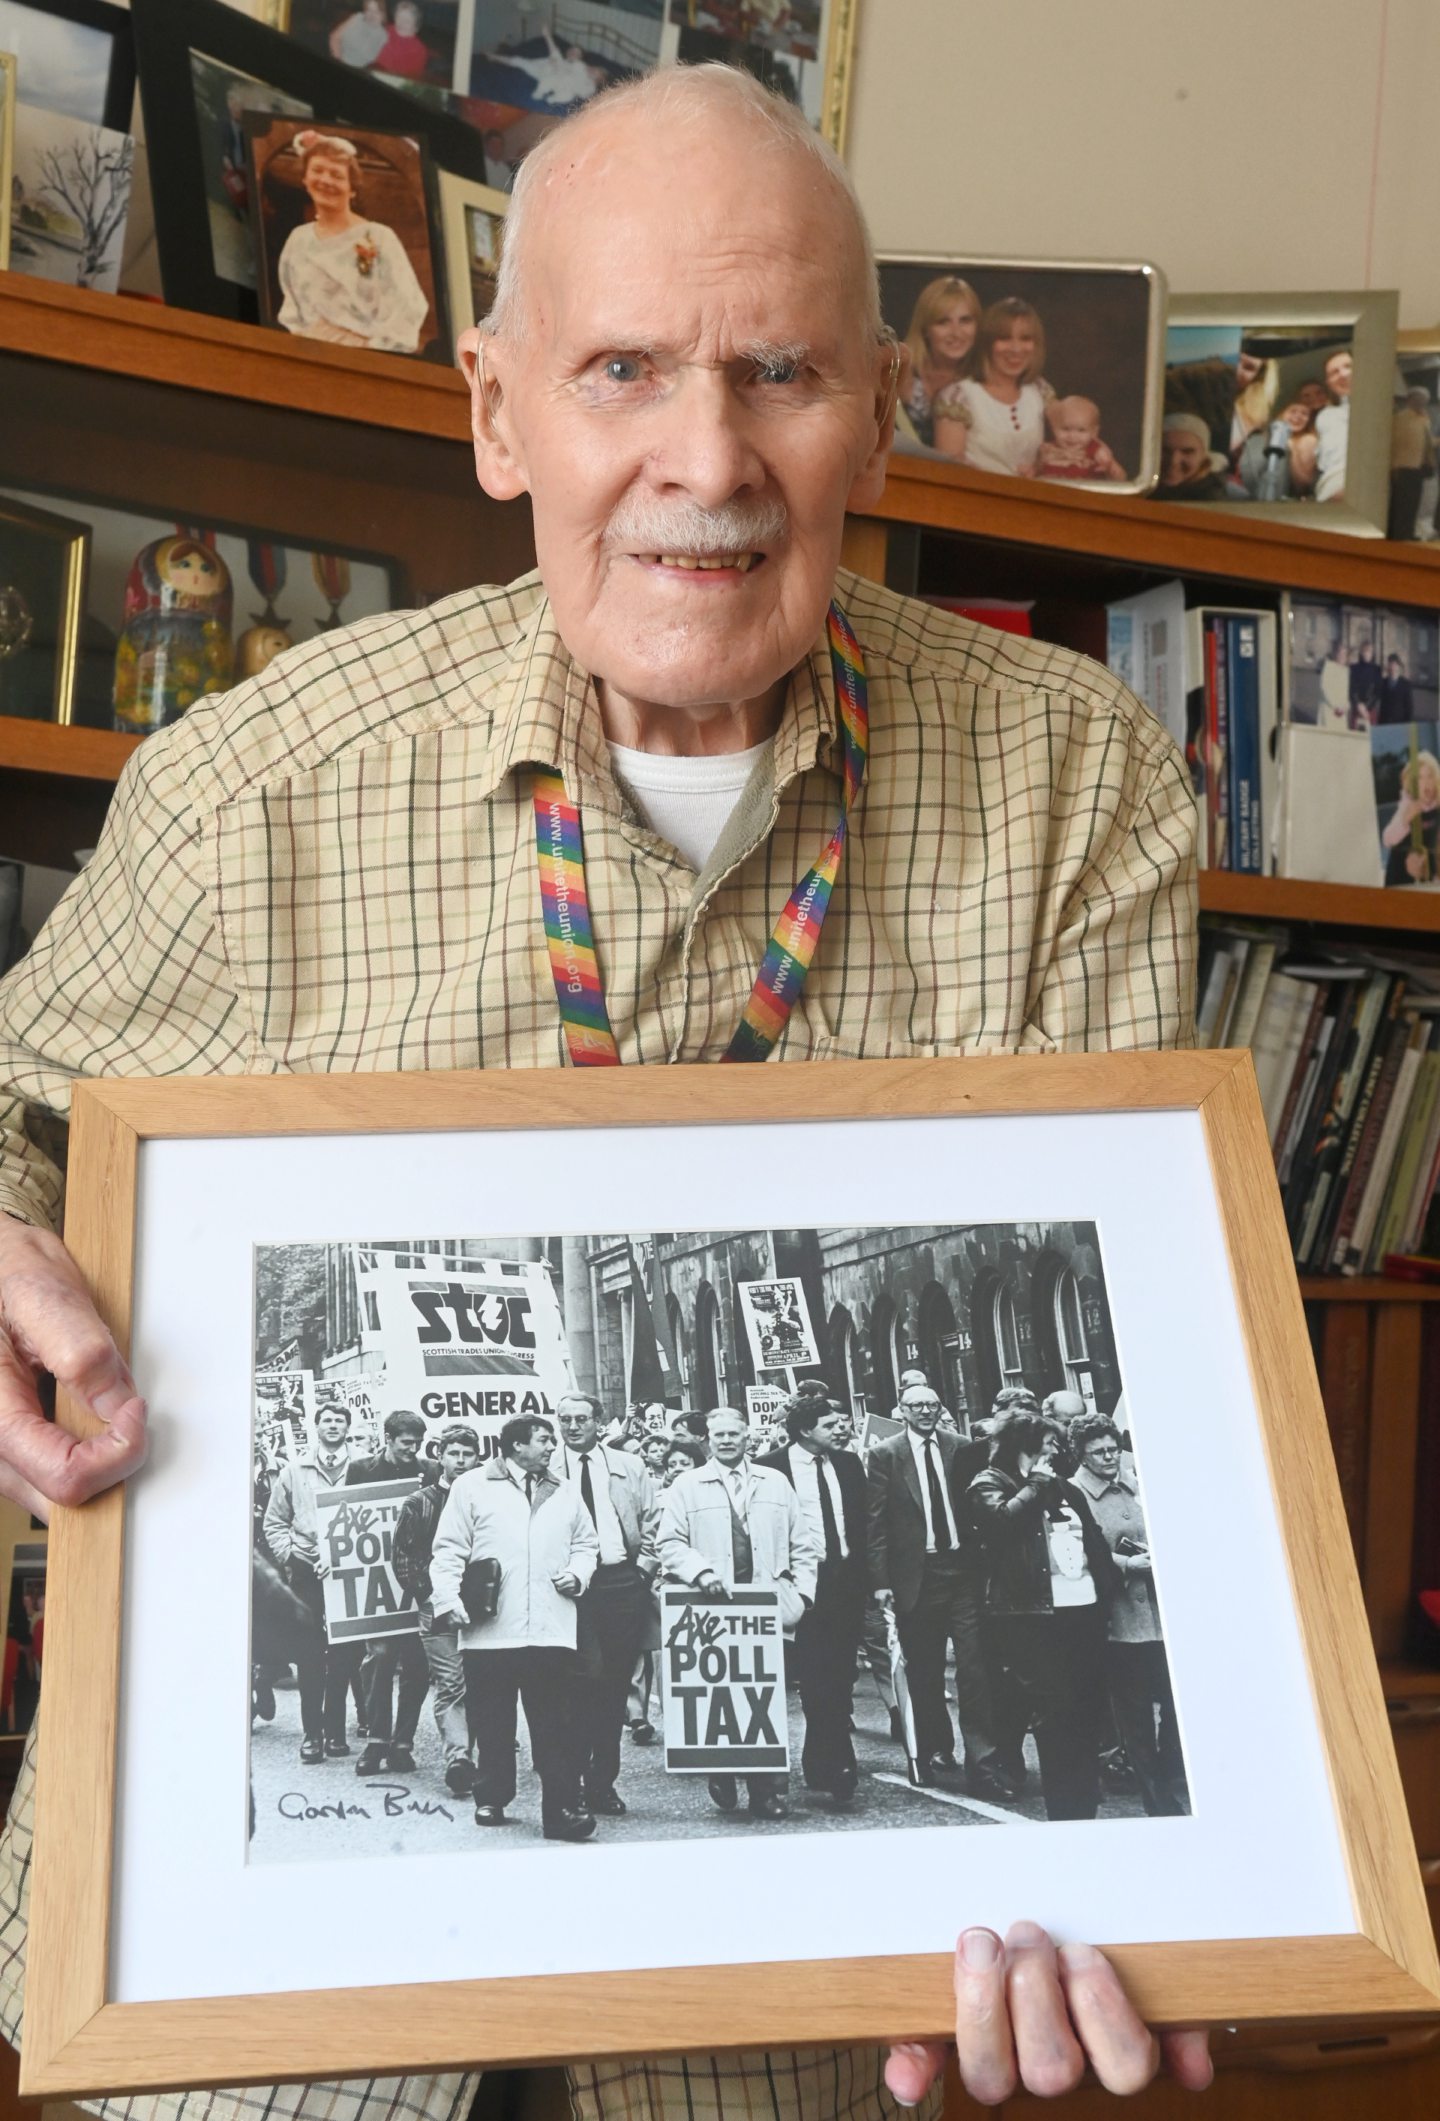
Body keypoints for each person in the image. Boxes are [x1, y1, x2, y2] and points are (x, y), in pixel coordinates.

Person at [0, 60, 1208, 2117]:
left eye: (781, 373)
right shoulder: (249, 782)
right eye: (625, 367)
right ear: (497, 410)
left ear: (880, 419)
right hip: (258, 2028)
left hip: (825, 2035)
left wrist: (1198, 1877)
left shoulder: (1078, 783)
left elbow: (1170, 1368)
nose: (704, 458)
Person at [429, 1413, 599, 1839]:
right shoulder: (473, 1487)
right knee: (493, 1722)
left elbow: (586, 1543)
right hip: (490, 1629)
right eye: (543, 1439)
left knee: (553, 1724)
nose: (550, 1446)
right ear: (516, 1446)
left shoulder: (563, 1489)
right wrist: (449, 1600)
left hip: (549, 1626)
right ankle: (492, 1795)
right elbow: (449, 1549)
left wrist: (578, 1574)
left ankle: (560, 1811)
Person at [658, 1405, 818, 1819]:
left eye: (734, 1434)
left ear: (749, 1437)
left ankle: (767, 1791)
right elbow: (670, 1543)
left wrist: (803, 1595)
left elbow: (801, 1543)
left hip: (767, 1606)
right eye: (718, 1435)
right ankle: (723, 1770)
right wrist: (701, 1572)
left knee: (764, 1694)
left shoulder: (776, 1482)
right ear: (706, 1440)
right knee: (721, 1693)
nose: (727, 1441)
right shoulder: (687, 1486)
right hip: (711, 1606)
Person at [970, 1409, 1119, 1821]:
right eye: (1051, 1444)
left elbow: (1093, 1541)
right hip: (1033, 1617)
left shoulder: (1063, 1489)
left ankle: (1085, 1797)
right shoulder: (989, 1483)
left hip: (1083, 1612)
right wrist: (1035, 1484)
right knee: (1055, 1715)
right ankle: (1065, 1806)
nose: (1058, 1452)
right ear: (1028, 1446)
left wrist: (1107, 1592)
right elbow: (999, 1524)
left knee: (1088, 1709)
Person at [866, 1382, 1009, 1797]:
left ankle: (982, 1764)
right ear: (901, 1411)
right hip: (917, 1575)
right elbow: (874, 1525)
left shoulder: (963, 1447)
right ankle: (930, 1749)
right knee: (925, 1671)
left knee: (974, 1668)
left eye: (932, 1404)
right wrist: (880, 1583)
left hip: (962, 1570)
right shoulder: (884, 1455)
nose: (925, 1412)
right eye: (916, 1406)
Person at [1069, 1414, 1184, 1818]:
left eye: (1113, 1449)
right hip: (1116, 1619)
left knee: (1173, 1701)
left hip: (1156, 1613)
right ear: (1081, 1455)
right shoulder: (1073, 1494)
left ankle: (1170, 1772)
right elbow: (1078, 1553)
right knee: (1134, 1714)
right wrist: (1123, 1564)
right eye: (1099, 1452)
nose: (1108, 1457)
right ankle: (1155, 1793)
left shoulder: (1133, 1486)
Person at [758, 1386, 867, 1803]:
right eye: (830, 1425)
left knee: (840, 1676)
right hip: (801, 1584)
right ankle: (837, 1762)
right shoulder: (771, 1468)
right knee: (814, 1674)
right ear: (805, 1430)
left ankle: (825, 1759)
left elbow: (861, 1522)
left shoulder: (848, 1463)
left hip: (846, 1580)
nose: (841, 1430)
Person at [554, 1390, 660, 1814]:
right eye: (565, 1420)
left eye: (582, 1419)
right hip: (568, 1588)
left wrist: (643, 1571)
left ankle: (602, 1783)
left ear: (599, 1422)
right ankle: (574, 1778)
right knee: (575, 1685)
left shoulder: (628, 1466)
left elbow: (653, 1521)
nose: (573, 1427)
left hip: (620, 1583)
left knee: (614, 1685)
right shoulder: (546, 1469)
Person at [276, 130, 430, 355]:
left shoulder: (380, 238)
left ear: (352, 188)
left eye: (337, 175)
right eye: (317, 171)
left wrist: (368, 348)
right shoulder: (298, 239)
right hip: (308, 355)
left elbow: (408, 306)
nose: (326, 180)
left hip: (366, 358)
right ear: (305, 180)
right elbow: (292, 310)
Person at [262, 1400, 358, 1762]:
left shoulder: (363, 1465)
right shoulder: (293, 1470)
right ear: (317, 1427)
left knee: (344, 1656)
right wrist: (293, 1555)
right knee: (309, 1655)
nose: (333, 1426)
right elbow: (274, 1522)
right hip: (306, 1571)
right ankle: (312, 1735)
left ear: (348, 1428)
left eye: (339, 1421)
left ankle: (336, 1731)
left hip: (349, 1572)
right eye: (327, 1421)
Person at [390, 1422, 481, 1796]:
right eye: (453, 1454)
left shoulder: (487, 1498)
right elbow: (403, 1559)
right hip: (437, 1609)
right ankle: (459, 1759)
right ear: (439, 1457)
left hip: (481, 1608)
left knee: (482, 1682)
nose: (460, 1461)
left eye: (468, 1454)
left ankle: (484, 1749)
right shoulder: (420, 1502)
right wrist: (429, 1596)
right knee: (452, 1683)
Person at [347, 1409, 431, 1775]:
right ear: (388, 1439)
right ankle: (377, 1740)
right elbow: (346, 1522)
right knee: (379, 1659)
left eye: (417, 1443)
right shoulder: (361, 1470)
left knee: (417, 1665)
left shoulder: (430, 1470)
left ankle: (403, 1743)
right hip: (376, 1582)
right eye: (405, 1443)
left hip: (416, 1582)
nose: (413, 1449)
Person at [932, 297, 1052, 476]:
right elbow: (949, 473)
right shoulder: (957, 397)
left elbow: (1074, 441)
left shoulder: (1040, 390)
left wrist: (1042, 466)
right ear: (986, 343)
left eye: (1025, 338)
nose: (1016, 349)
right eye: (1005, 338)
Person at [899, 274, 980, 448]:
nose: (956, 333)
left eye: (965, 321)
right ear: (926, 328)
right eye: (943, 322)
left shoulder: (984, 375)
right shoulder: (903, 372)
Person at [1034, 396, 1127, 483]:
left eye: (1081, 430)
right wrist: (1031, 470)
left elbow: (1121, 478)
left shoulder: (1096, 451)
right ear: (1054, 428)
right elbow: (1037, 471)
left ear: (1094, 432)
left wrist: (1110, 467)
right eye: (1065, 429)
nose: (1072, 436)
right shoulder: (1048, 450)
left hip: (1084, 496)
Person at [1382, 747, 1440, 885]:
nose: (1426, 783)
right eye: (1420, 778)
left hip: (1426, 872)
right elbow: (1387, 839)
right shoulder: (1407, 806)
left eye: (1430, 776)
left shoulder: (1437, 805)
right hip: (1400, 872)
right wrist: (1404, 820)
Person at [1390, 389, 1436, 539]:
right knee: (1401, 503)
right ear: (1410, 399)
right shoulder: (1399, 418)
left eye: (1424, 400)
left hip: (1419, 468)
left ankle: (1408, 533)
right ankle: (1398, 534)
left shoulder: (1424, 419)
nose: (1422, 402)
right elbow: (1393, 444)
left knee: (1413, 503)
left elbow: (1428, 442)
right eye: (1419, 399)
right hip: (1403, 467)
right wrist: (1392, 467)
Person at [1157, 412, 1229, 499]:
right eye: (1165, 450)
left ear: (1203, 456)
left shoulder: (1213, 500)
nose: (1173, 461)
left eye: (1187, 452)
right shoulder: (1140, 489)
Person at [1315, 347, 1353, 504]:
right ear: (1329, 384)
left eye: (1348, 366)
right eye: (1334, 372)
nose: (1343, 374)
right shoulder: (1328, 416)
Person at [374, 0, 429, 78]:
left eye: (407, 21)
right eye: (399, 17)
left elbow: (411, 78)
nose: (401, 23)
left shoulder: (419, 50)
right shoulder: (386, 30)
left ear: (416, 26)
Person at [330, 0, 389, 68]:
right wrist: (338, 60)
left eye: (376, 11)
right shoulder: (356, 18)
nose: (372, 15)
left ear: (383, 14)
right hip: (339, 61)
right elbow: (335, 37)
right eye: (369, 10)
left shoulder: (383, 36)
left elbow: (375, 61)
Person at [1316, 639, 1353, 729]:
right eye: (1340, 653)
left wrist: (1346, 707)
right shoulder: (1329, 666)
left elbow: (1348, 692)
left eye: (1345, 654)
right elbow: (1324, 688)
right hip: (1329, 710)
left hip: (1341, 712)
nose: (1342, 656)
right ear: (1336, 654)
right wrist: (1336, 706)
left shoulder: (1346, 671)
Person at [1379, 652, 1417, 724]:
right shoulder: (1383, 683)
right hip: (1385, 724)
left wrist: (1407, 726)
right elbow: (1382, 707)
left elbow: (1409, 709)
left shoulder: (1406, 685)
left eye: (1395, 664)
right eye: (1390, 664)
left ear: (1398, 666)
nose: (1392, 667)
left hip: (1400, 725)